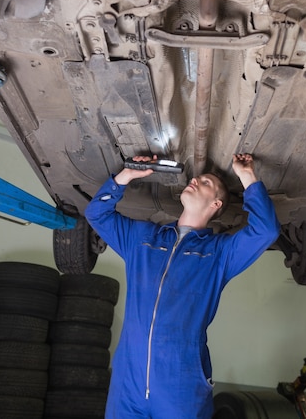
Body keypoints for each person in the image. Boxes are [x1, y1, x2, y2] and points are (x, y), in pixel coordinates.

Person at [85, 153, 280, 419]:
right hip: (127, 385)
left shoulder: (219, 255)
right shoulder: (142, 239)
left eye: (206, 183)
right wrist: (126, 175)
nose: (196, 180)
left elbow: (266, 231)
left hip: (181, 385)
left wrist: (246, 175)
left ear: (216, 204)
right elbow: (96, 214)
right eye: (197, 178)